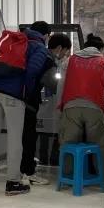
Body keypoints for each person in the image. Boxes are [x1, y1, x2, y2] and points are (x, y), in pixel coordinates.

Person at [0, 22, 54, 197]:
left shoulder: (11, 40)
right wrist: (26, 93)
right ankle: (13, 182)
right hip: (13, 95)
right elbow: (32, 71)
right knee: (15, 138)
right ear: (46, 36)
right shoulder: (39, 48)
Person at [54, 33, 104, 186]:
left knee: (68, 143)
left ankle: (68, 177)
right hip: (94, 108)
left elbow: (61, 87)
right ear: (100, 49)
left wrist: (60, 107)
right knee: (99, 145)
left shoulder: (69, 61)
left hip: (71, 107)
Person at [20, 32, 72, 187]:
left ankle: (21, 168)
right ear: (60, 48)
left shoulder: (33, 52)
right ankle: (28, 172)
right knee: (29, 136)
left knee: (21, 136)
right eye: (65, 52)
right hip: (29, 101)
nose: (64, 56)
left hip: (18, 98)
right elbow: (53, 84)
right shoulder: (48, 60)